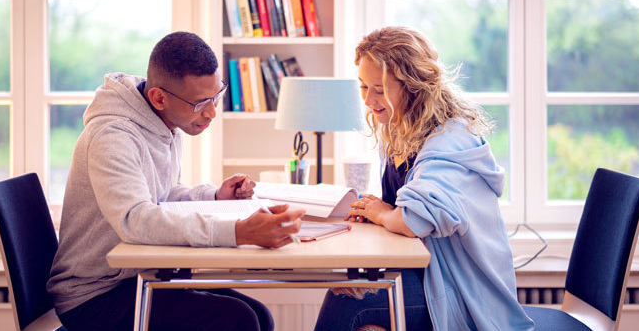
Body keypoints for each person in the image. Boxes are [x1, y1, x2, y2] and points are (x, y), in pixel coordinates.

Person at [47, 31, 305, 331]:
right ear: (159, 97)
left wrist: (215, 196)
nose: (211, 112)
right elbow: (135, 219)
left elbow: (163, 196)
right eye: (200, 103)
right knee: (239, 320)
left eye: (216, 96)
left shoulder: (164, 122)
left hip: (138, 277)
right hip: (94, 296)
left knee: (258, 314)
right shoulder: (113, 136)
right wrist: (238, 232)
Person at [313, 27, 534, 331]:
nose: (368, 100)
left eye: (379, 88)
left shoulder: (451, 136)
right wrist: (380, 212)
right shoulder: (401, 128)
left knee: (347, 303)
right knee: (351, 296)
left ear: (413, 86)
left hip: (461, 291)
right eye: (364, 87)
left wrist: (382, 213)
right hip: (431, 276)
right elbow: (399, 208)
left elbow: (412, 220)